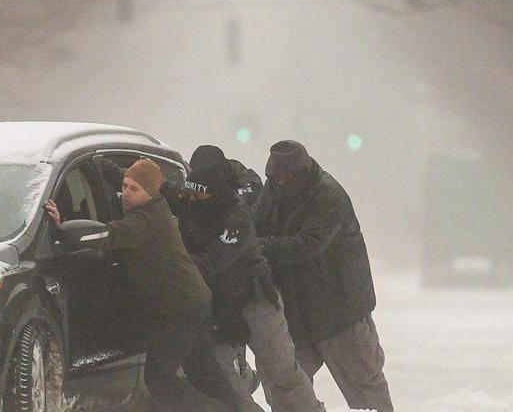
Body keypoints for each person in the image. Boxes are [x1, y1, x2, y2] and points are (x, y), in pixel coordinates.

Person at [45, 158, 241, 412]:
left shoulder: (146, 220)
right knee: (205, 375)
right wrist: (100, 163)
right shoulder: (148, 208)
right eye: (124, 186)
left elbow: (106, 235)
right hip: (191, 302)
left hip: (180, 310)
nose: (126, 193)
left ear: (150, 193)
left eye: (133, 189)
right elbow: (127, 181)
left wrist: (61, 230)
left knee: (159, 380)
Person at [177, 148, 325, 412]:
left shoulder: (237, 215)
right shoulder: (189, 208)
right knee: (225, 380)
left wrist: (176, 261)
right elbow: (160, 193)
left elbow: (215, 260)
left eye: (200, 193)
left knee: (281, 374)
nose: (195, 199)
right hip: (217, 308)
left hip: (255, 299)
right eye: (191, 193)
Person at [254, 140, 393, 412]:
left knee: (366, 390)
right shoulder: (271, 192)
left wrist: (259, 245)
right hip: (295, 312)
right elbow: (255, 224)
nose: (280, 183)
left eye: (286, 177)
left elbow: (309, 245)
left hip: (341, 313)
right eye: (275, 177)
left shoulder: (328, 195)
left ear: (302, 173)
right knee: (283, 389)